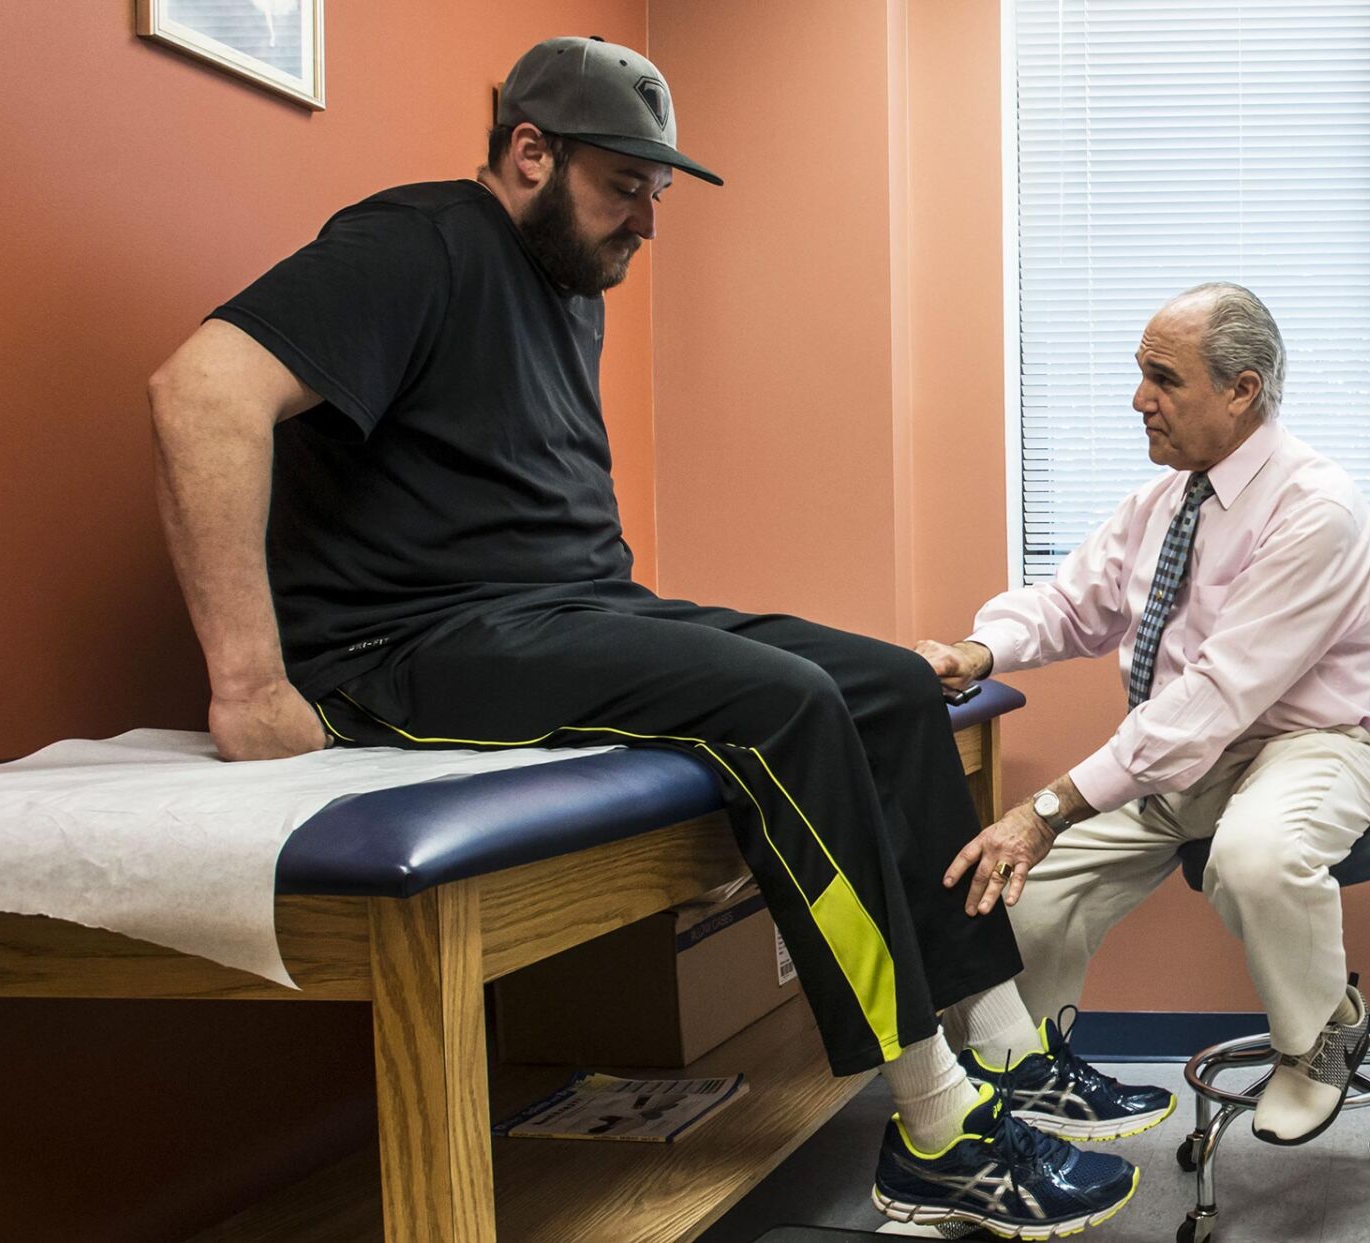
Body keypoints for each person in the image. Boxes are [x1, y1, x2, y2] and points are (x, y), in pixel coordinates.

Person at [146, 35, 1141, 1237]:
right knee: (784, 702)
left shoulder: (566, 287)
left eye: (654, 195)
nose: (645, 224)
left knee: (883, 680)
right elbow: (199, 391)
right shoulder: (415, 241)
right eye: (624, 187)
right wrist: (248, 683)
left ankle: (1001, 1043)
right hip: (410, 641)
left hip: (573, 610)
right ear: (529, 151)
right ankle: (934, 1124)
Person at [918, 283, 1370, 1146]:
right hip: (1187, 756)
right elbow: (1074, 605)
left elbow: (1216, 694)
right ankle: (1030, 1077)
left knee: (1255, 856)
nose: (1140, 399)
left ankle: (1322, 1035)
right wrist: (977, 651)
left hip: (1313, 743)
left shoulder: (1315, 509)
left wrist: (1051, 807)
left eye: (1163, 378)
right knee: (1018, 895)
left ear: (1242, 389)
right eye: (1142, 375)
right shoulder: (1167, 500)